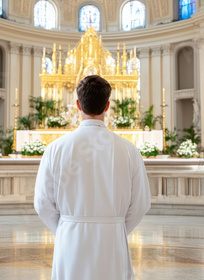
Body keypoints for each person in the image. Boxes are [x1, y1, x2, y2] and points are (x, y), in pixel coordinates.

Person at [34, 75, 151, 280]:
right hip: (113, 240)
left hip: (70, 239)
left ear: (78, 104)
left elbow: (42, 202)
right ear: (107, 106)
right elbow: (141, 203)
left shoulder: (55, 149)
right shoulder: (129, 151)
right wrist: (115, 227)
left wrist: (66, 227)